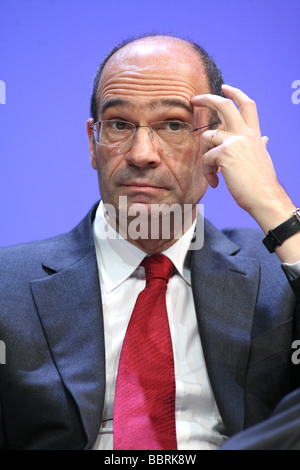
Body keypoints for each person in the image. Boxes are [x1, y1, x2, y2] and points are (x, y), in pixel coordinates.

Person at [0, 33, 299, 451]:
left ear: (216, 143)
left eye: (173, 124)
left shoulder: (278, 272)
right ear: (93, 142)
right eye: (119, 124)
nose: (142, 153)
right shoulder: (6, 286)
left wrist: (274, 206)